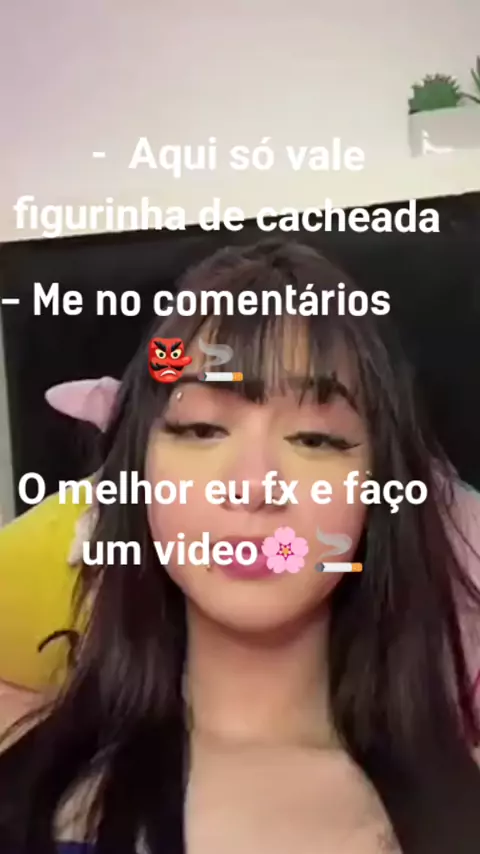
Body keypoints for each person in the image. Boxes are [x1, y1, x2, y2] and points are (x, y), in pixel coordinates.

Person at [0, 239, 479, 854]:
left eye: (316, 440)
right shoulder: (27, 767)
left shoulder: (458, 812)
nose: (254, 485)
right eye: (201, 428)